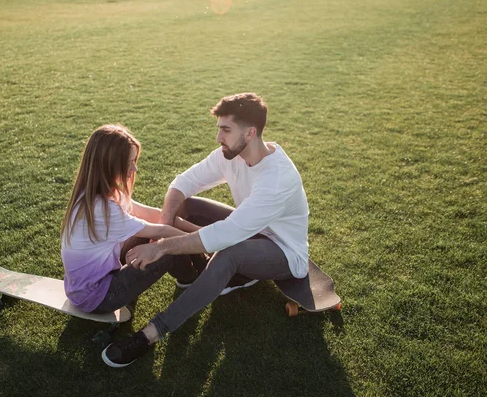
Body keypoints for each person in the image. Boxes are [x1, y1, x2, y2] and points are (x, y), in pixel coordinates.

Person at [102, 93, 310, 368]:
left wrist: (161, 246)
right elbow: (183, 182)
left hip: (282, 251)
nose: (218, 137)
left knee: (229, 254)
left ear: (250, 133)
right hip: (248, 230)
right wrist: (165, 225)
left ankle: (152, 333)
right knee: (185, 205)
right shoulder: (231, 155)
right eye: (219, 129)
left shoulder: (276, 179)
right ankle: (204, 275)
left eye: (226, 130)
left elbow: (226, 236)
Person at [60, 124, 202, 317]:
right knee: (169, 247)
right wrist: (204, 242)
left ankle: (195, 268)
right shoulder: (104, 208)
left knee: (163, 234)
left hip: (85, 287)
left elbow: (156, 216)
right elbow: (161, 232)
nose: (135, 167)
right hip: (98, 297)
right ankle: (193, 277)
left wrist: (202, 231)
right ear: (109, 163)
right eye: (129, 161)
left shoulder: (98, 192)